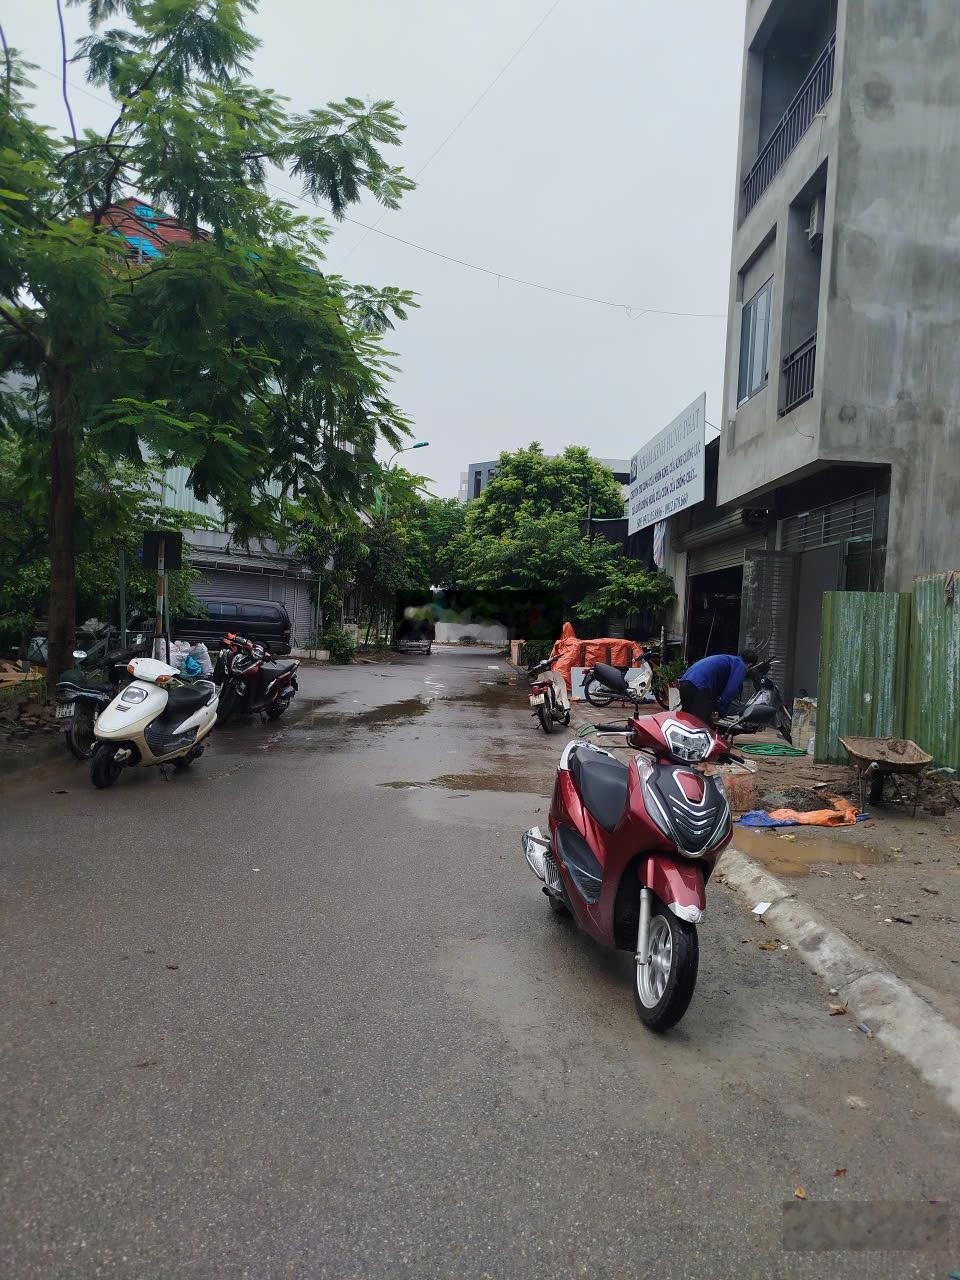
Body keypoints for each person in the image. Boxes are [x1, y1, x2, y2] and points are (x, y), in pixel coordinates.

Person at [678, 648, 758, 726]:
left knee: (687, 722)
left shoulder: (727, 659)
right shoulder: (740, 665)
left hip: (685, 683)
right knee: (703, 725)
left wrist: (714, 706)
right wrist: (721, 711)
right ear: (749, 665)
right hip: (700, 686)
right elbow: (730, 690)